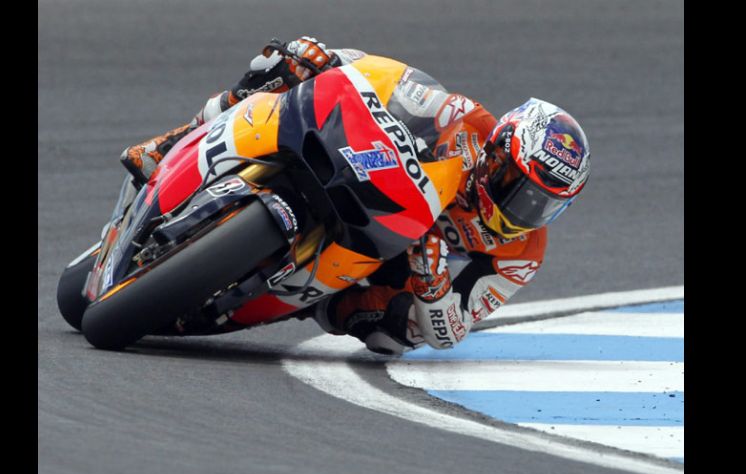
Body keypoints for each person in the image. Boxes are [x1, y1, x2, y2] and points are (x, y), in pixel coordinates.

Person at [120, 36, 591, 355]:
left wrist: (432, 283)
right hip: (375, 182)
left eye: (547, 204)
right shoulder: (466, 120)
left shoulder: (522, 252)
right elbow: (386, 78)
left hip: (396, 258)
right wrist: (330, 58)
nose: (528, 210)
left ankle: (316, 302)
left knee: (400, 336)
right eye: (523, 190)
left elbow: (452, 331)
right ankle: (167, 145)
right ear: (498, 157)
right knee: (280, 70)